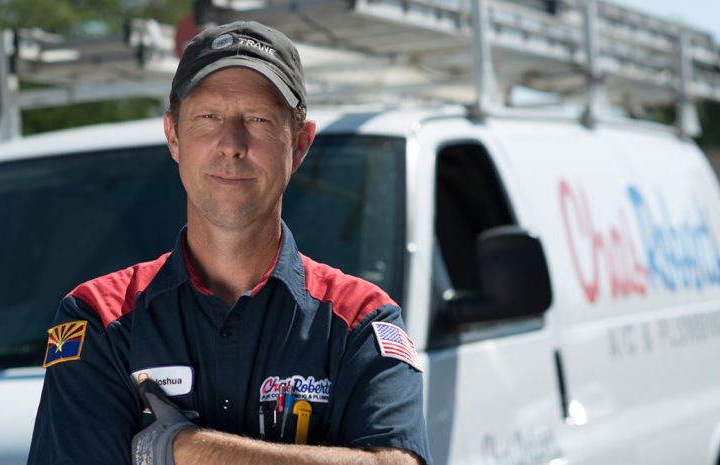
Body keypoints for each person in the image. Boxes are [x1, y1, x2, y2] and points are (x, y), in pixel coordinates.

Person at [28, 20, 430, 465]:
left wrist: (184, 449)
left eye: (258, 119)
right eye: (208, 118)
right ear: (173, 136)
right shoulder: (101, 316)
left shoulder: (359, 318)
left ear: (299, 144)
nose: (231, 144)